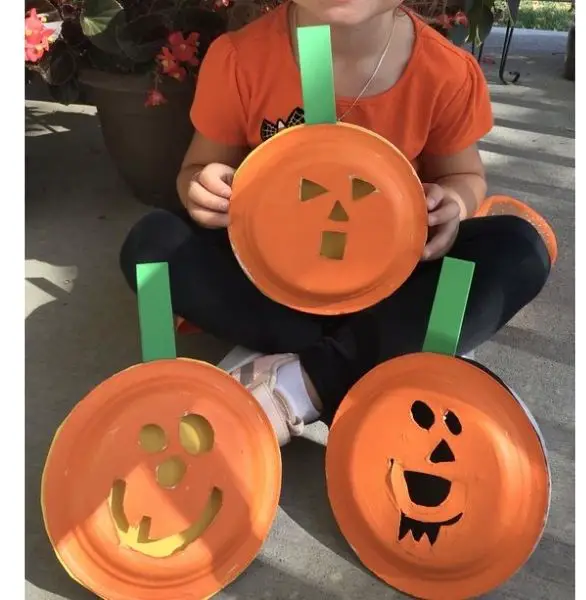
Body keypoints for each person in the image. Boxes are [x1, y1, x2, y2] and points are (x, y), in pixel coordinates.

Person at [120, 0, 550, 446]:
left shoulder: (445, 71)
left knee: (518, 248)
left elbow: (464, 177)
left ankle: (301, 383)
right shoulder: (239, 59)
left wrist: (453, 204)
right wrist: (203, 189)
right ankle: (370, 357)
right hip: (273, 279)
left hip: (390, 281)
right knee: (153, 244)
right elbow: (198, 169)